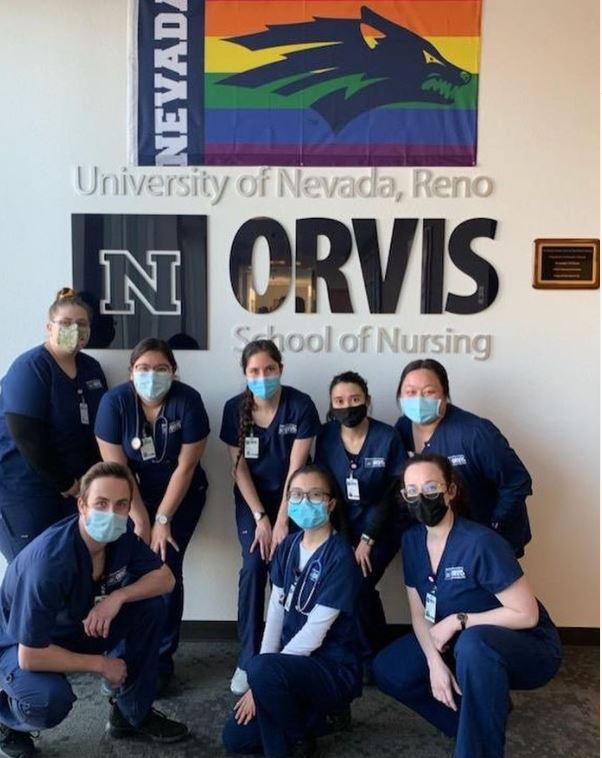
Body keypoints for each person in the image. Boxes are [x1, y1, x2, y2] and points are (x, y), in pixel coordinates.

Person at [373, 453, 561, 758]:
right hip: (460, 644)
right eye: (412, 491)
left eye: (431, 488)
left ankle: (477, 748)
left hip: (526, 646)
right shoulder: (411, 541)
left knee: (474, 644)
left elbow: (527, 615)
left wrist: (459, 620)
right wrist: (435, 665)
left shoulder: (480, 542)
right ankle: (470, 723)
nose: (422, 497)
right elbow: (420, 614)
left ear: (450, 491)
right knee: (389, 669)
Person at [0, 461, 189, 758]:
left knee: (150, 605)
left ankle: (131, 715)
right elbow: (30, 654)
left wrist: (119, 597)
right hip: (22, 643)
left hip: (77, 624)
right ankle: (8, 720)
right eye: (101, 503)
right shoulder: (48, 564)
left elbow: (165, 579)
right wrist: (101, 664)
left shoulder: (121, 536)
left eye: (120, 505)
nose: (111, 514)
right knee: (48, 700)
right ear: (82, 506)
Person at [222, 464, 362, 758]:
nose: (304, 502)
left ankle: (297, 741)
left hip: (331, 668)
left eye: (315, 495)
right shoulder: (287, 547)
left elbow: (314, 634)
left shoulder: (340, 557)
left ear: (331, 503)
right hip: (291, 667)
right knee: (236, 739)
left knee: (261, 673)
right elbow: (275, 614)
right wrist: (264, 677)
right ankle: (315, 720)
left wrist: (263, 677)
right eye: (296, 495)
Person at [94, 337, 209, 686]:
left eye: (160, 369)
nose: (152, 376)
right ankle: (120, 660)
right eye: (143, 369)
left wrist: (163, 519)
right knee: (124, 573)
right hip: (127, 498)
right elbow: (117, 471)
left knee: (167, 572)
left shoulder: (188, 401)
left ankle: (160, 663)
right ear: (131, 373)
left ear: (173, 372)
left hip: (181, 497)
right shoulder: (114, 404)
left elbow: (186, 468)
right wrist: (141, 517)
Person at [220, 340, 321, 695]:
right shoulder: (235, 408)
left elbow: (297, 469)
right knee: (253, 568)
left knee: (290, 571)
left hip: (296, 501)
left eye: (269, 370)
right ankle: (247, 659)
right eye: (254, 372)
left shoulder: (300, 405)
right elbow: (238, 469)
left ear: (281, 368)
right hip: (252, 502)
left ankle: (290, 653)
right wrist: (262, 518)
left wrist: (281, 521)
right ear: (245, 374)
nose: (262, 377)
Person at [0, 287, 107, 561]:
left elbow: (98, 430)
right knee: (31, 572)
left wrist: (90, 483)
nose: (75, 329)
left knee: (69, 568)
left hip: (75, 492)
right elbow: (26, 435)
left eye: (82, 324)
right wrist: (65, 482)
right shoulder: (31, 368)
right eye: (66, 323)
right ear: (49, 327)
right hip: (27, 491)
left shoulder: (91, 369)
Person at [314, 371, 407, 677]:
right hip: (343, 523)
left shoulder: (387, 437)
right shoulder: (326, 436)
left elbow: (392, 494)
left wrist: (367, 539)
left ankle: (372, 656)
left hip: (382, 527)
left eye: (355, 399)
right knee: (350, 581)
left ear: (367, 400)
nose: (347, 406)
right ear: (331, 404)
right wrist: (342, 539)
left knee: (360, 582)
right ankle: (364, 651)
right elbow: (330, 490)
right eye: (339, 401)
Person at [395, 359, 532, 556]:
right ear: (400, 396)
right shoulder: (400, 431)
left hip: (486, 540)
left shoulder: (475, 432)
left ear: (445, 395)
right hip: (436, 542)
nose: (418, 399)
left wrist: (493, 529)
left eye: (429, 392)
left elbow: (517, 482)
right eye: (410, 392)